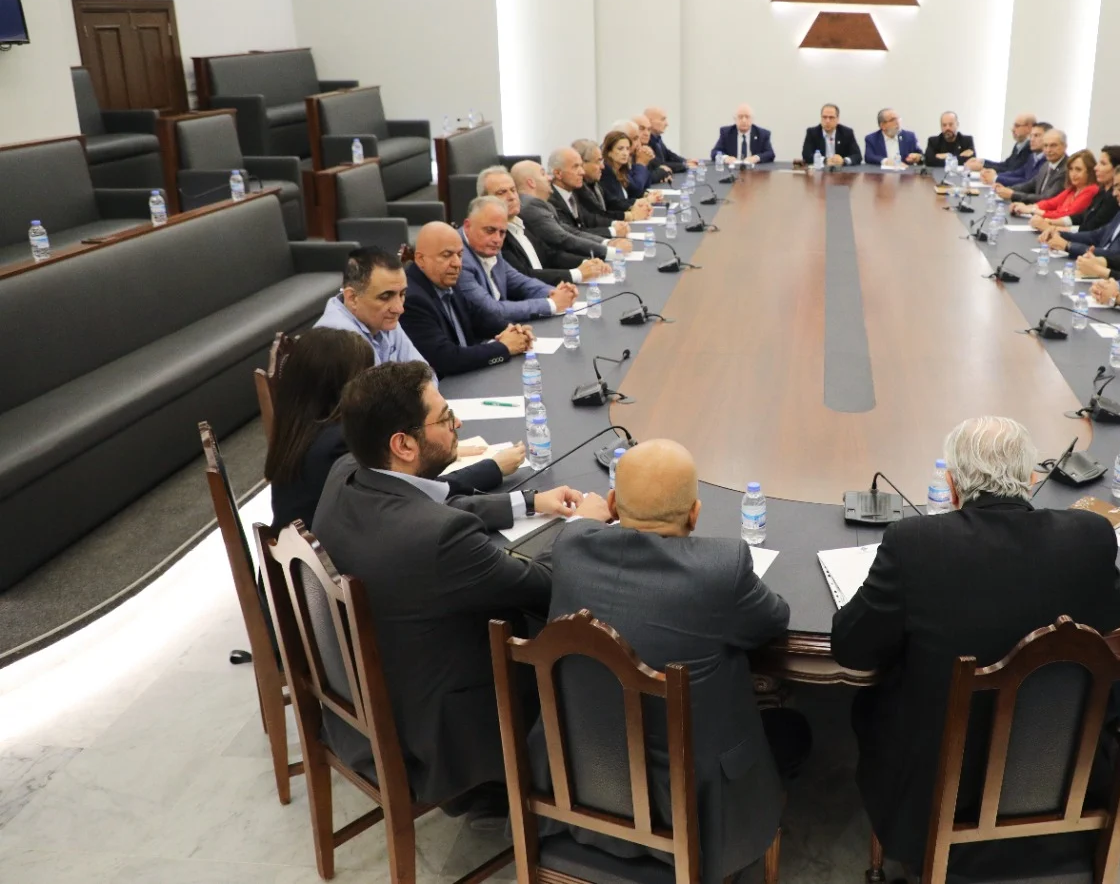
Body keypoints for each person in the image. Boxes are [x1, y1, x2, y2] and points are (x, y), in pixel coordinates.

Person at [309, 362, 606, 814]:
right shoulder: (440, 540)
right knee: (582, 652)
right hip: (443, 734)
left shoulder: (347, 473)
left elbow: (423, 504)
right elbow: (545, 585)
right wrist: (582, 526)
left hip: (369, 697)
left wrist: (525, 501)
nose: (458, 424)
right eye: (446, 418)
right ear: (403, 444)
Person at [833, 417, 1120, 866]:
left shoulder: (914, 545)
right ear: (1030, 478)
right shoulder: (1089, 535)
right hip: (1065, 776)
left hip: (932, 801)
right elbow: (1111, 614)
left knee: (870, 705)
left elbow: (852, 648)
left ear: (952, 487)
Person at [532, 440, 804, 882]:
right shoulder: (722, 567)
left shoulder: (570, 547)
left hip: (572, 784)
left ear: (613, 504)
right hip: (697, 817)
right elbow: (772, 621)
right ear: (695, 514)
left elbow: (568, 540)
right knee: (792, 731)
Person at [265, 328, 527, 534]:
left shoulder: (297, 429)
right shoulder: (339, 445)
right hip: (341, 574)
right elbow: (415, 500)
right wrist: (492, 468)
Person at [401, 222, 533, 376]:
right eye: (447, 255)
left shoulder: (446, 279)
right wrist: (504, 347)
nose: (457, 263)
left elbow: (478, 318)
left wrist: (513, 330)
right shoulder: (411, 299)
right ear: (420, 259)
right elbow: (446, 359)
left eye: (459, 255)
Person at [456, 197, 579, 326]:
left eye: (502, 232)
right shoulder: (459, 257)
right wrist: (551, 304)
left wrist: (554, 293)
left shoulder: (488, 248)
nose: (497, 239)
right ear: (468, 226)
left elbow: (520, 282)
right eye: (490, 230)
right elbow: (490, 311)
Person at [478, 166, 610, 283]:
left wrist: (587, 263)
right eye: (501, 193)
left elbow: (550, 255)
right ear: (484, 200)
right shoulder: (494, 236)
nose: (512, 196)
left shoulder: (522, 221)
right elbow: (523, 275)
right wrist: (577, 273)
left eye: (513, 190)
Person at [314, 247, 428, 367]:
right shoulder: (337, 343)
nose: (399, 309)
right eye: (385, 297)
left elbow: (424, 372)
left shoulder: (383, 319)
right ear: (352, 298)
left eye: (402, 294)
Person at [513, 154, 632, 266]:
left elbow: (570, 231)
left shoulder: (542, 204)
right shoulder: (530, 206)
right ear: (531, 182)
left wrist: (606, 243)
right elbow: (563, 239)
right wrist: (612, 252)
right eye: (543, 174)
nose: (549, 178)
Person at [1046, 160, 1120, 259]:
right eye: (1114, 188)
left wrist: (1068, 246)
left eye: (1119, 188)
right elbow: (1097, 235)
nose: (1114, 193)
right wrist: (1060, 234)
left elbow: (1117, 254)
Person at [1014, 148, 1100, 224]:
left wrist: (1033, 210)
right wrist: (1027, 207)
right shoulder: (1073, 189)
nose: (1073, 174)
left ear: (1090, 172)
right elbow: (1051, 203)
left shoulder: (1091, 190)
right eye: (1071, 169)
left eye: (1078, 169)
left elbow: (1065, 215)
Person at [994, 127, 1070, 205]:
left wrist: (1013, 195)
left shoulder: (1067, 169)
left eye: (1053, 145)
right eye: (1045, 145)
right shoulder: (1046, 164)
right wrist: (1006, 189)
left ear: (1064, 146)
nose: (1048, 150)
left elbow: (1047, 198)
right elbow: (1030, 185)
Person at [1075, 146, 1120, 232]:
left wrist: (1061, 229)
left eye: (1103, 164)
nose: (1095, 168)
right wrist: (1056, 222)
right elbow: (1084, 216)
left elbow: (1093, 227)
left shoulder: (1116, 197)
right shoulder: (1101, 191)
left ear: (1118, 169)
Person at [979, 121, 1050, 188]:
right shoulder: (1032, 157)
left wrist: (996, 178)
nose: (1032, 139)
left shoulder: (1048, 160)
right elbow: (1018, 173)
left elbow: (1028, 182)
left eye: (1036, 136)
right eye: (1031, 136)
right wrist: (995, 175)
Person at [967, 111, 1035, 173]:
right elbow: (1006, 165)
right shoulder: (1019, 145)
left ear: (1029, 128)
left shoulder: (1031, 148)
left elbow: (1012, 170)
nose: (1012, 129)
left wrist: (982, 167)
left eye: (1017, 126)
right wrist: (982, 162)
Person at [644, 106, 695, 173]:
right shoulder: (645, 141)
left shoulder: (656, 137)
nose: (667, 124)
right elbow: (658, 164)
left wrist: (684, 161)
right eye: (662, 119)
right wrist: (684, 165)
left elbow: (668, 153)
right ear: (649, 121)